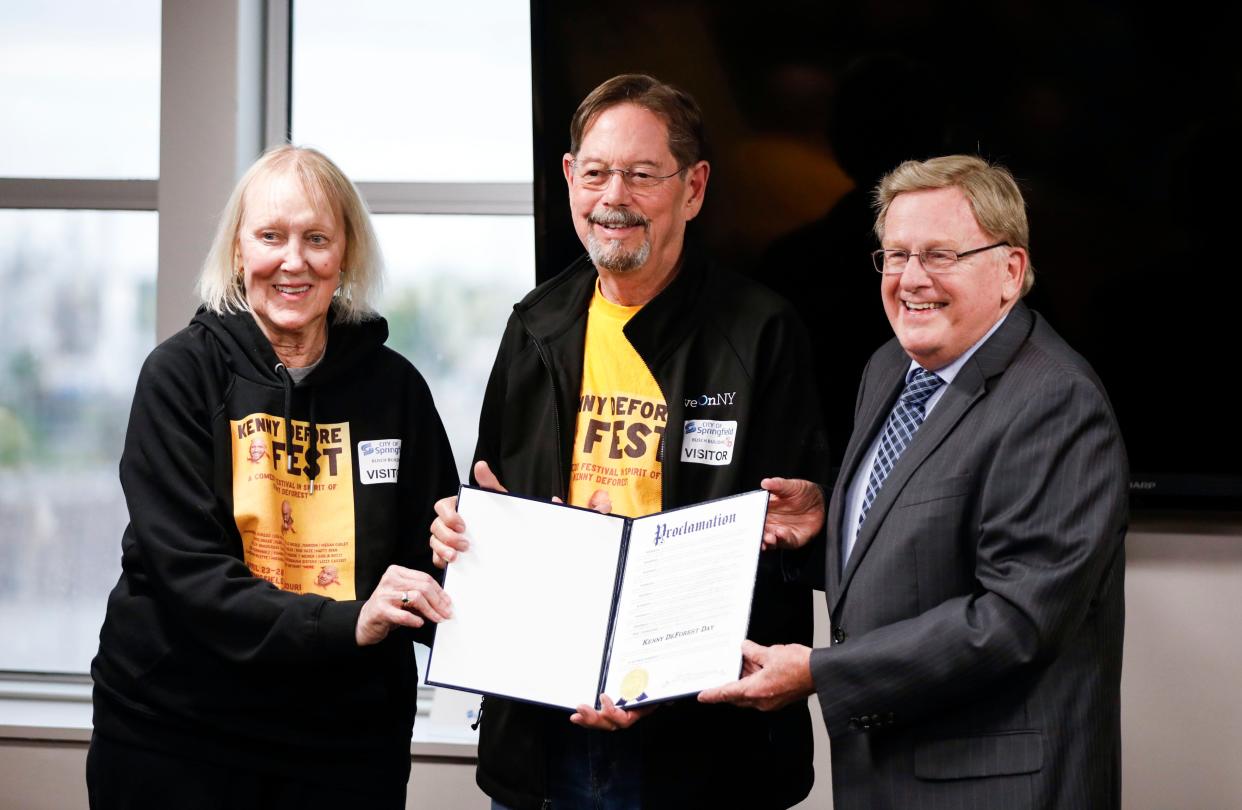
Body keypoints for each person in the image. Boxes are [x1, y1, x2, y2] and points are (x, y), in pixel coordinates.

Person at [429, 74, 829, 809]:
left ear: (694, 188)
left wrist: (663, 676)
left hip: (707, 750)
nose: (615, 196)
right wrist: (465, 532)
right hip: (547, 737)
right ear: (568, 180)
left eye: (643, 176)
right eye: (597, 173)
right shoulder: (534, 326)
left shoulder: (761, 333)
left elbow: (799, 548)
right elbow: (492, 498)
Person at [701, 154, 1128, 809]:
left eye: (940, 255)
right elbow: (921, 544)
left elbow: (1012, 621)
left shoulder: (1055, 402)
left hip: (992, 789)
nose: (910, 279)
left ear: (1010, 271)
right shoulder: (888, 368)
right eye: (895, 255)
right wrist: (829, 526)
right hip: (884, 778)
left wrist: (820, 671)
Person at [87, 145, 458, 810]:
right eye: (270, 237)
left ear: (344, 254)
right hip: (178, 731)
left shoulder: (395, 389)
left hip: (345, 742)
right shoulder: (180, 377)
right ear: (237, 252)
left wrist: (484, 542)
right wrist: (347, 625)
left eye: (317, 238)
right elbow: (191, 574)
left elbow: (429, 563)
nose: (294, 261)